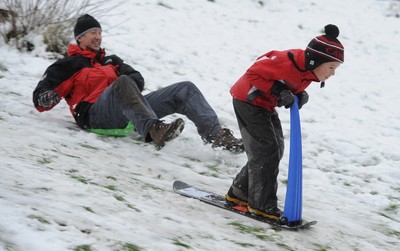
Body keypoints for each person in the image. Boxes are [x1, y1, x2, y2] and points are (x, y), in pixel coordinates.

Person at [33, 14, 243, 153]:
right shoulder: (68, 64)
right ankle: (154, 130)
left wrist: (120, 77)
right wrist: (48, 96)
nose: (98, 37)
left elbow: (138, 80)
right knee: (122, 82)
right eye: (93, 33)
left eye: (100, 32)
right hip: (94, 115)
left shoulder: (110, 60)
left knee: (185, 89)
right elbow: (41, 97)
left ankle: (216, 137)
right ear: (80, 38)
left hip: (125, 109)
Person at [225, 24, 344, 219]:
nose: (332, 73)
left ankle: (239, 194)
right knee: (266, 151)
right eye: (331, 67)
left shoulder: (308, 72)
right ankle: (261, 205)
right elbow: (254, 72)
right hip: (248, 101)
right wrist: (278, 92)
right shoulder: (286, 61)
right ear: (315, 61)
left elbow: (288, 83)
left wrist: (298, 94)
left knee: (275, 149)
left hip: (264, 105)